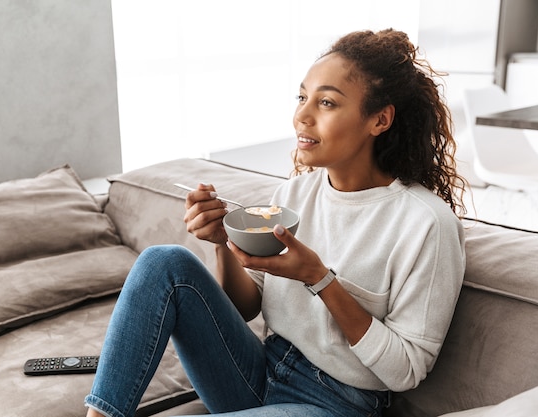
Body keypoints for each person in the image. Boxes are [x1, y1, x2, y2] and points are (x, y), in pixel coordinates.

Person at [85, 28, 467, 417]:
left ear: (379, 120)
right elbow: (245, 307)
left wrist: (320, 280)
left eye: (327, 103)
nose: (302, 116)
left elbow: (406, 370)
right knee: (163, 263)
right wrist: (224, 243)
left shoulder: (426, 224)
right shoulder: (294, 195)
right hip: (259, 370)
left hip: (337, 403)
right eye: (302, 97)